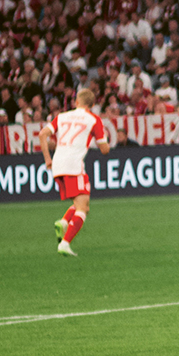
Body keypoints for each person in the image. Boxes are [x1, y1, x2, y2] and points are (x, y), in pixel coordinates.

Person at [39, 87, 112, 257]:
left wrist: (47, 159)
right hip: (73, 164)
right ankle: (65, 243)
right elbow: (104, 150)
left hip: (57, 164)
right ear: (92, 104)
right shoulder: (94, 119)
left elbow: (43, 134)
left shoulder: (62, 116)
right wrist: (105, 141)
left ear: (76, 102)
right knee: (83, 207)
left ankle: (64, 222)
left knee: (80, 201)